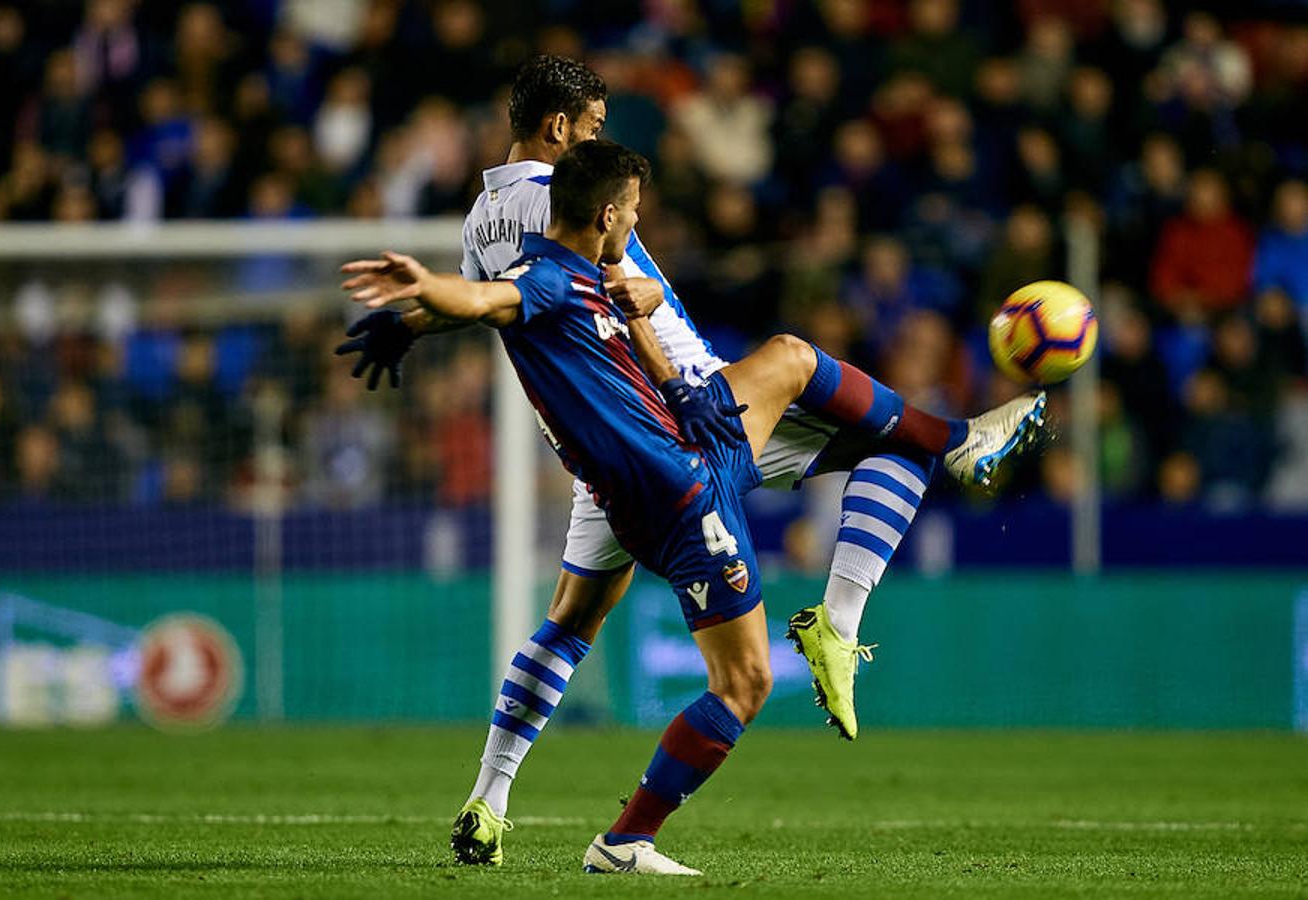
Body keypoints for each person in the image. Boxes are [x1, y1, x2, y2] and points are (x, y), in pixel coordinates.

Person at [337, 56, 1045, 868]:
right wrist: (610, 298)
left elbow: (486, 301)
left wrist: (412, 316)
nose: (607, 158)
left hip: (598, 450)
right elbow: (534, 292)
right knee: (828, 386)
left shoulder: (481, 217)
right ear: (562, 131)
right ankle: (928, 485)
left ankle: (489, 800)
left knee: (571, 621)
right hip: (680, 414)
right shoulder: (563, 201)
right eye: (597, 130)